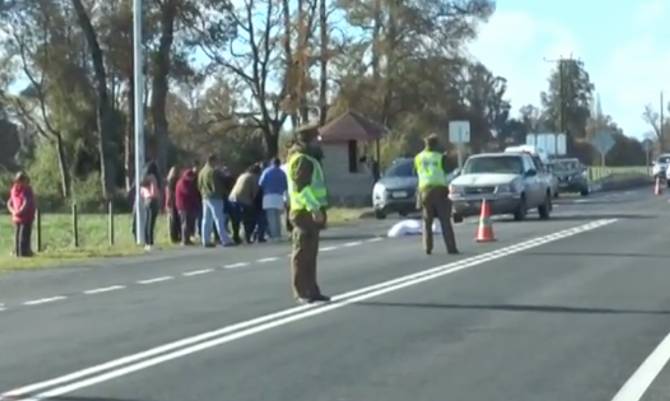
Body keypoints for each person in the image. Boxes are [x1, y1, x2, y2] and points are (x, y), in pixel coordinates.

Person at [287, 125, 330, 304]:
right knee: (302, 253)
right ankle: (302, 291)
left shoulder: (308, 159)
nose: (318, 143)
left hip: (309, 211)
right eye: (316, 140)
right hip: (304, 211)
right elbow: (301, 188)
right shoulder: (301, 160)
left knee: (311, 253)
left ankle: (312, 290)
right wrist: (315, 208)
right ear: (309, 141)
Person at [414, 134, 459, 255]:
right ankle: (451, 248)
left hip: (424, 191)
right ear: (436, 144)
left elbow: (415, 172)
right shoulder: (440, 157)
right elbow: (449, 169)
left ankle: (427, 247)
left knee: (427, 221)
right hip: (439, 190)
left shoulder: (418, 157)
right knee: (445, 220)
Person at [198, 154, 233, 247]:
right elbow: (217, 185)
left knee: (206, 219)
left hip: (205, 197)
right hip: (215, 197)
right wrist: (222, 193)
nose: (217, 163)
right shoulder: (213, 172)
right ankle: (225, 239)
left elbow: (199, 185)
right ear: (212, 161)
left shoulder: (201, 172)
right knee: (219, 218)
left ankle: (205, 240)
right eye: (216, 161)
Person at [229, 164, 261, 244]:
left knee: (235, 220)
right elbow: (254, 192)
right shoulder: (253, 177)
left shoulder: (242, 175)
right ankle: (247, 237)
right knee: (249, 219)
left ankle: (235, 237)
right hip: (244, 200)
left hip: (232, 198)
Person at [7, 172, 36, 257]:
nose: (23, 182)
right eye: (21, 180)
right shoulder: (14, 190)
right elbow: (10, 202)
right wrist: (13, 211)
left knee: (24, 235)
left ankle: (24, 252)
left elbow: (26, 202)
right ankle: (19, 252)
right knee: (19, 236)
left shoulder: (27, 189)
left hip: (27, 216)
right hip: (19, 216)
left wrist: (19, 211)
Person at [259, 157, 288, 240]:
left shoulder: (267, 171)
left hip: (268, 196)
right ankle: (278, 234)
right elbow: (286, 185)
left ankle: (274, 235)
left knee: (271, 217)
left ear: (272, 163)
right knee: (278, 217)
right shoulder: (282, 173)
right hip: (279, 196)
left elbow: (261, 183)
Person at [140, 161, 162, 250]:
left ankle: (146, 242)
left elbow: (141, 191)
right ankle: (151, 243)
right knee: (151, 223)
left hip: (145, 200)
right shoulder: (153, 177)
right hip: (152, 200)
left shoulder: (143, 178)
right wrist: (158, 197)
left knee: (147, 222)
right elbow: (154, 191)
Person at [175, 168, 199, 245]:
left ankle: (187, 238)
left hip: (189, 206)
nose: (192, 179)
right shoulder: (183, 183)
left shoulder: (187, 182)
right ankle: (184, 239)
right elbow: (188, 192)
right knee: (185, 223)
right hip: (184, 206)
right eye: (190, 177)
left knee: (189, 223)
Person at [165, 166, 181, 244]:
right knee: (173, 219)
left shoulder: (174, 180)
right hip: (172, 201)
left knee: (175, 219)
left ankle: (175, 236)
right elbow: (169, 193)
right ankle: (173, 236)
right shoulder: (171, 181)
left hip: (175, 201)